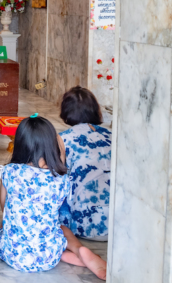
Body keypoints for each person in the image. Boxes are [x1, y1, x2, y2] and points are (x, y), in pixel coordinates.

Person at [0, 115, 106, 280]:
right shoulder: (61, 179)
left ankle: (60, 252)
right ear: (52, 146)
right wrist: (59, 144)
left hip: (13, 255)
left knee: (9, 226)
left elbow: (4, 207)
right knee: (61, 228)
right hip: (50, 257)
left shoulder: (10, 171)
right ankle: (77, 250)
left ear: (20, 144)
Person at [58, 86, 111, 240]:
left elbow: (57, 180)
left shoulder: (63, 139)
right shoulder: (111, 136)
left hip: (85, 225)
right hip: (119, 224)